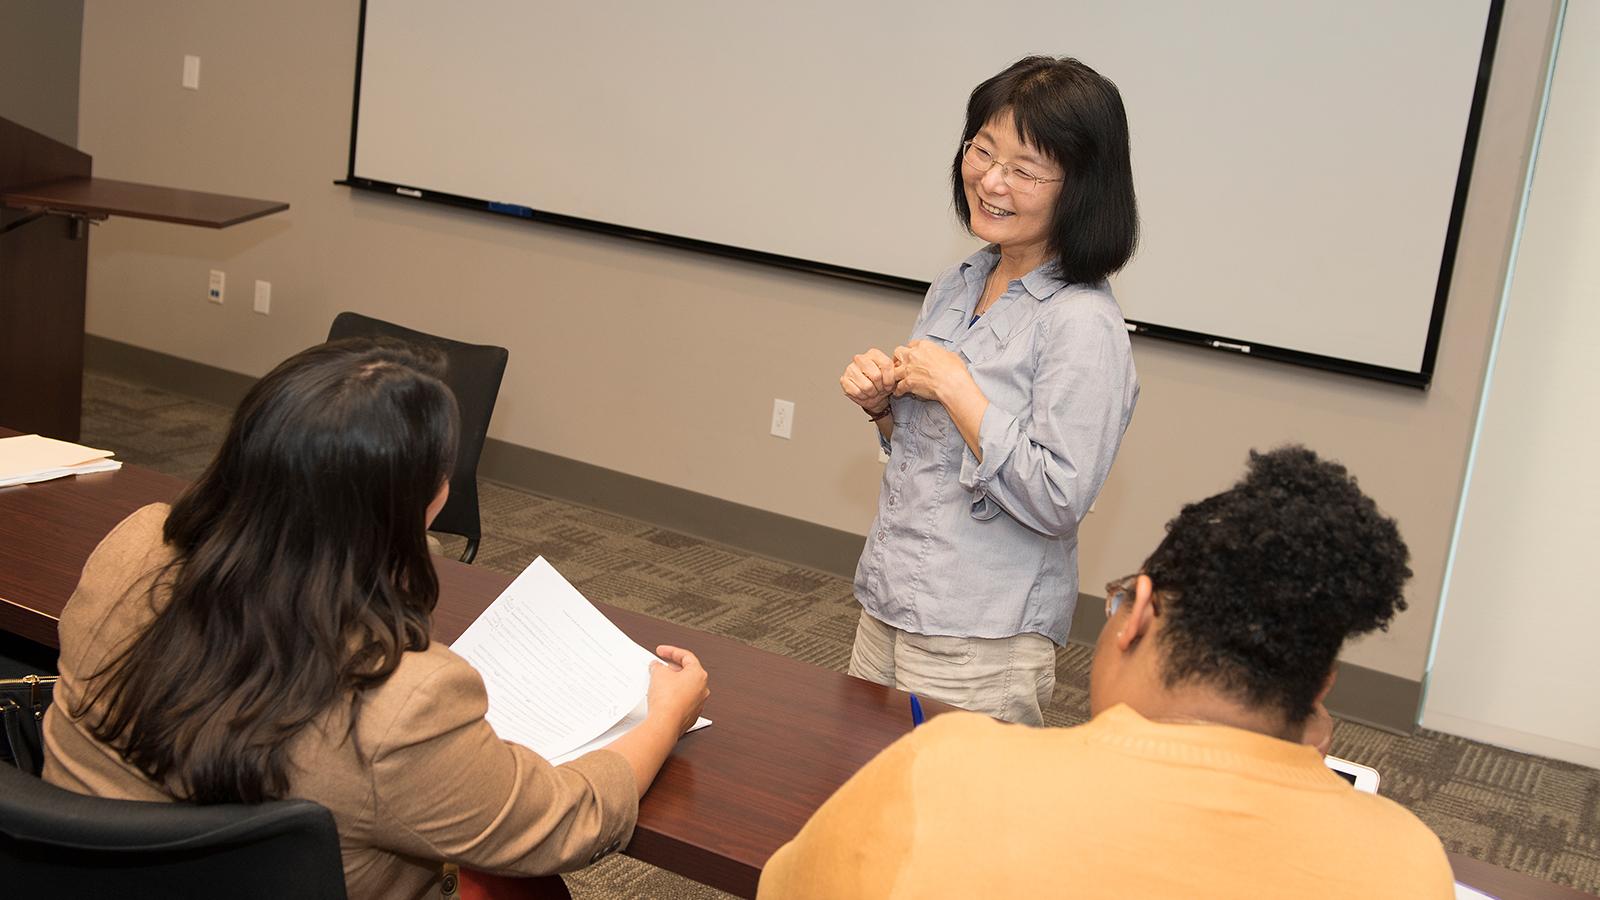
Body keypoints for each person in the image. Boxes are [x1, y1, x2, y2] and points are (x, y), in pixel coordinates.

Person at [42, 339, 709, 900]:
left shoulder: (135, 544)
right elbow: (568, 820)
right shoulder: (405, 699)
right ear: (420, 501)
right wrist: (665, 716)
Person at [758, 446, 1454, 899]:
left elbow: (783, 887)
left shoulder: (946, 766)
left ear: (1139, 615)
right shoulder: (1410, 866)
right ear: (1321, 685)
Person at [839, 55, 1141, 725]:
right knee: (859, 797)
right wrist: (885, 411)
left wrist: (956, 387)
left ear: (1082, 189)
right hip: (891, 600)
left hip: (982, 637)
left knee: (957, 824)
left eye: (1024, 170)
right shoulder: (959, 282)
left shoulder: (1082, 324)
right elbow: (936, 454)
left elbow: (1059, 497)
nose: (990, 180)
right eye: (982, 150)